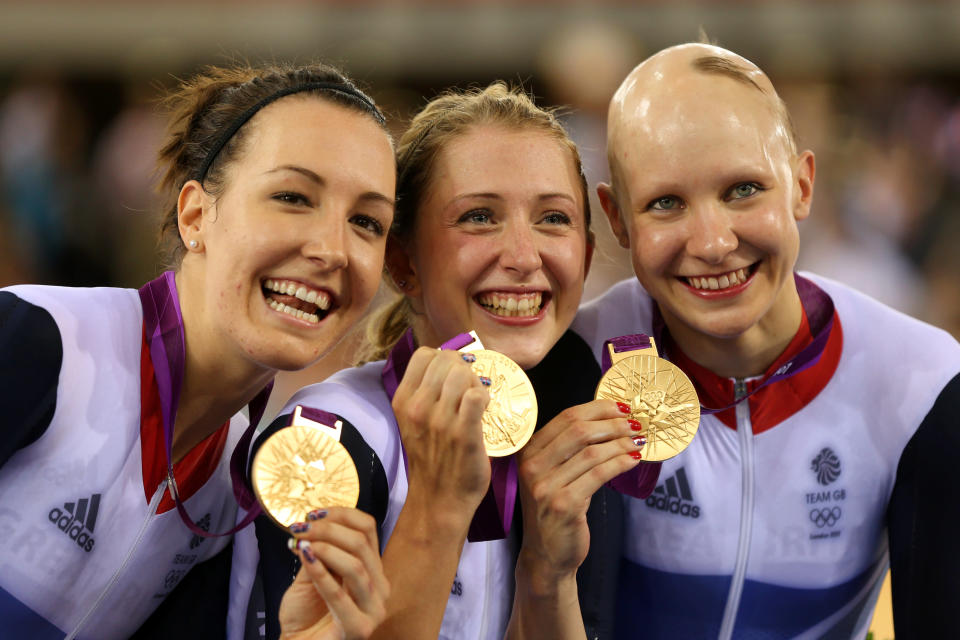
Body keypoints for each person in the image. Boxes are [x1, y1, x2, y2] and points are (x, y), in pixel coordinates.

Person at [570, 42, 960, 638]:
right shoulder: (575, 357)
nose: (712, 242)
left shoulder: (924, 384)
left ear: (802, 185)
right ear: (617, 217)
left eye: (743, 190)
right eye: (665, 203)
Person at [242, 82, 655, 640]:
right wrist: (438, 506)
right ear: (403, 261)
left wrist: (546, 577)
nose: (524, 256)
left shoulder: (571, 443)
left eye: (553, 219)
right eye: (479, 217)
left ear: (583, 255)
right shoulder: (327, 442)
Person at [0, 62, 394, 640]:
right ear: (196, 215)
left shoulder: (235, 495)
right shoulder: (41, 339)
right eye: (292, 196)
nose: (332, 249)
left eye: (367, 221)